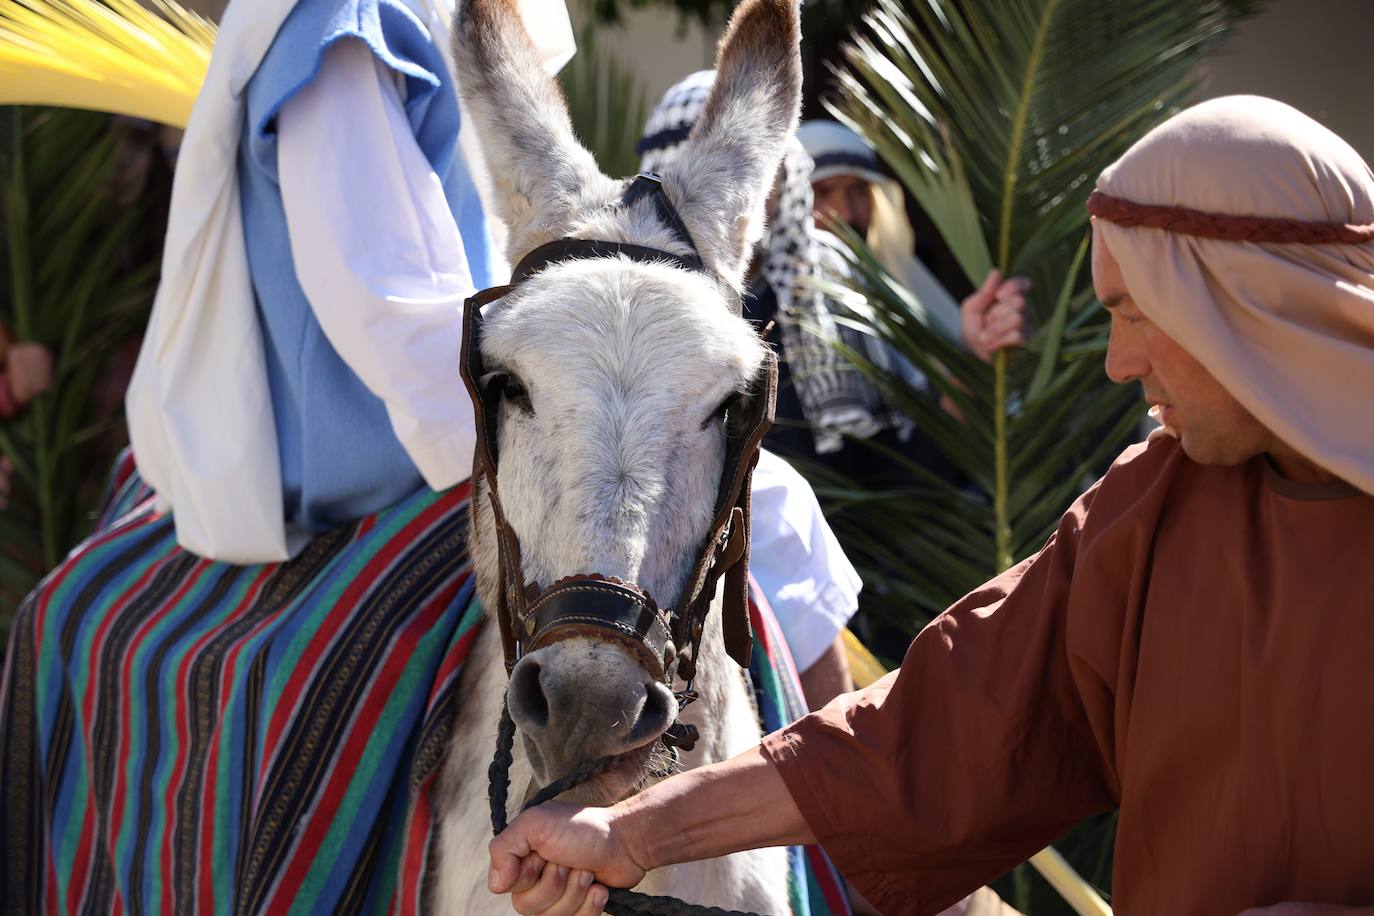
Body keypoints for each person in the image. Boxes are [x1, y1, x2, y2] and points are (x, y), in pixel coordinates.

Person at [0, 2, 867, 912]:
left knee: (765, 511)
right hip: (390, 451)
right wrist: (544, 418)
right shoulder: (346, 22)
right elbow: (386, 309)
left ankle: (859, 847)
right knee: (770, 505)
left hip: (479, 407)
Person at [485, 94, 1374, 916]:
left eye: (1136, 313)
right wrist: (628, 834)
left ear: (1252, 313)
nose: (1118, 362)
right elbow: (924, 738)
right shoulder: (1150, 516)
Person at [639, 76, 1029, 481]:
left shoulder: (822, 295)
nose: (733, 194)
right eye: (709, 174)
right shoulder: (631, 315)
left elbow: (900, 475)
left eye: (750, 172)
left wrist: (967, 358)